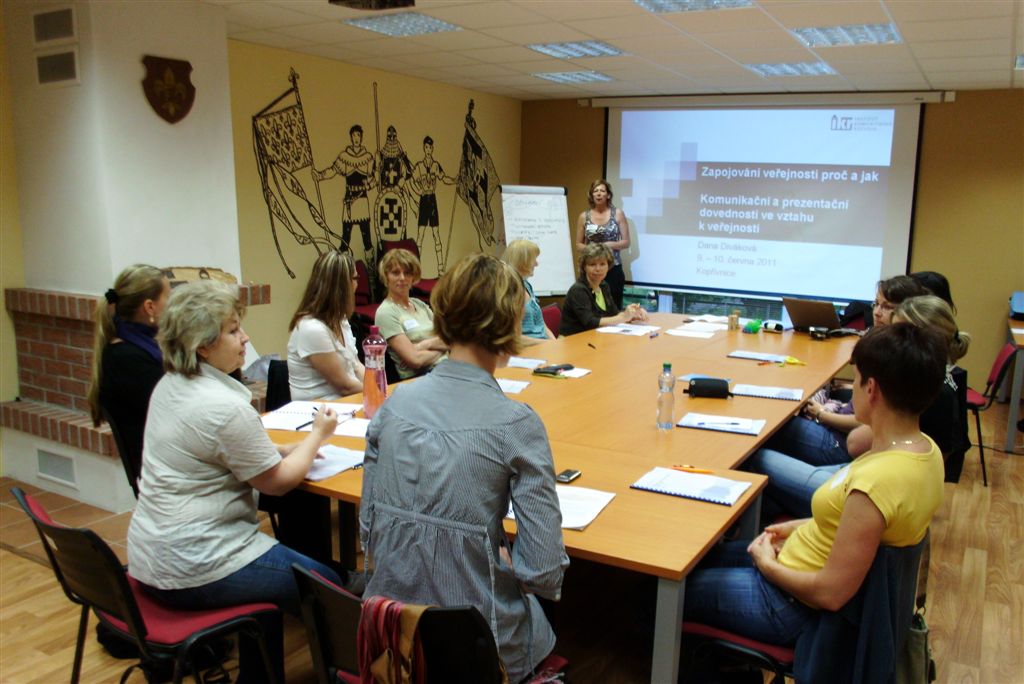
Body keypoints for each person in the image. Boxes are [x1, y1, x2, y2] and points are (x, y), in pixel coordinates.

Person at [360, 254, 569, 683]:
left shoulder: (394, 405)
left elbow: (369, 529)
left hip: (390, 635)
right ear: (512, 323)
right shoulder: (516, 423)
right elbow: (543, 571)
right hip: (477, 647)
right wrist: (497, 556)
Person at [685, 323, 946, 664]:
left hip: (791, 603)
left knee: (656, 591)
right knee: (700, 559)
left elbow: (830, 594)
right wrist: (794, 528)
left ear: (871, 389)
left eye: (856, 378)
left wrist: (767, 566)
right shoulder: (926, 451)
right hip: (797, 564)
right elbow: (849, 524)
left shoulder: (878, 483)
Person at [127, 280, 343, 683]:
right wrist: (318, 435)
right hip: (197, 565)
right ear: (202, 346)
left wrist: (284, 449)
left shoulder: (170, 386)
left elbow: (218, 450)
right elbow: (277, 484)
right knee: (328, 587)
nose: (245, 338)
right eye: (232, 330)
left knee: (277, 598)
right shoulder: (223, 406)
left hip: (151, 556)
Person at [748, 295, 970, 519]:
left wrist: (825, 414)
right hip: (862, 473)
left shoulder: (908, 386)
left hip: (857, 476)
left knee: (755, 453)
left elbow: (855, 445)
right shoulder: (935, 383)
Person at [764, 274, 927, 466]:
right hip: (842, 425)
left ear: (907, 311)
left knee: (771, 424)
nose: (877, 312)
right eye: (876, 304)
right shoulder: (896, 346)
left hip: (839, 443)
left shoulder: (894, 357)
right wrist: (852, 388)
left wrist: (821, 414)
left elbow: (865, 424)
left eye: (887, 307)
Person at [88, 264, 171, 486]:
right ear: (150, 307)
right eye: (168, 297)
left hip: (165, 459)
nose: (172, 305)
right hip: (161, 475)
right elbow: (172, 411)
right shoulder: (127, 359)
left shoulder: (141, 346)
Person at [287, 250, 365, 400]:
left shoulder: (340, 319)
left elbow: (356, 366)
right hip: (320, 410)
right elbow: (345, 387)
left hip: (345, 405)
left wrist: (378, 387)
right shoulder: (312, 329)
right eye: (355, 278)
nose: (357, 284)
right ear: (342, 286)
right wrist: (379, 394)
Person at [374, 248, 447, 380]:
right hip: (422, 377)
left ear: (413, 277)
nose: (402, 278)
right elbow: (415, 360)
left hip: (446, 367)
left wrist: (424, 345)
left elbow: (448, 339)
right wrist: (442, 349)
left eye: (407, 273)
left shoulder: (420, 304)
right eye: (395, 273)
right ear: (386, 277)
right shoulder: (385, 312)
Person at [559, 243, 648, 337]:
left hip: (595, 337)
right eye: (592, 264)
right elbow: (590, 322)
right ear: (584, 267)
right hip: (572, 340)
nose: (598, 269)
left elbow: (614, 314)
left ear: (608, 266)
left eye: (602, 264)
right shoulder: (578, 290)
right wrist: (623, 317)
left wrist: (632, 314)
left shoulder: (603, 285)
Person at [315, 124, 376, 258]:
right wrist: (319, 176)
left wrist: (369, 185)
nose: (356, 138)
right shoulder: (345, 157)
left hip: (362, 199)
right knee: (345, 238)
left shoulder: (367, 158)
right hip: (349, 200)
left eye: (358, 135)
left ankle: (370, 265)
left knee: (366, 238)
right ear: (351, 137)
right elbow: (333, 170)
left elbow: (374, 179)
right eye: (354, 135)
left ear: (361, 137)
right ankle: (341, 266)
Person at [575, 179, 631, 309]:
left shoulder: (618, 214)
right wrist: (594, 249)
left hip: (613, 269)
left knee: (613, 307)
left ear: (608, 195)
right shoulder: (584, 216)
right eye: (595, 191)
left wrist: (609, 245)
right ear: (592, 195)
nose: (599, 194)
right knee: (590, 307)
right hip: (590, 269)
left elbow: (626, 242)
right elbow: (578, 245)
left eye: (602, 191)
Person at [412, 135, 455, 273]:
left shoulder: (436, 165)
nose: (428, 150)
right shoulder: (419, 166)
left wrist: (455, 180)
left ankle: (440, 268)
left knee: (436, 233)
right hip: (424, 199)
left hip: (432, 200)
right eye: (426, 147)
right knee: (420, 235)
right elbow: (411, 180)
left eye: (430, 147)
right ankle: (416, 268)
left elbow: (444, 178)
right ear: (423, 148)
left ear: (432, 148)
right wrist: (418, 191)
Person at [503, 239, 555, 341]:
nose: (536, 264)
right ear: (523, 262)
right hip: (527, 347)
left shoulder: (526, 285)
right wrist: (546, 344)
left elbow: (542, 324)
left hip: (542, 344)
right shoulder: (510, 290)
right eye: (533, 259)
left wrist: (555, 342)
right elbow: (514, 337)